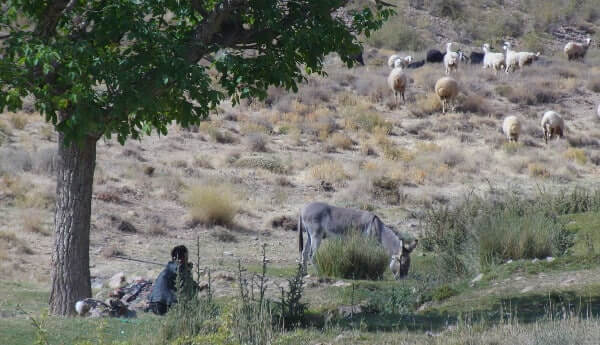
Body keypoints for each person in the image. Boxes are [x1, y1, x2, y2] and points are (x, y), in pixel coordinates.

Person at [147, 245, 197, 315]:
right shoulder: (178, 268)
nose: (187, 259)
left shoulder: (169, 267)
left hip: (153, 304)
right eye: (186, 257)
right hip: (162, 306)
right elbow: (189, 285)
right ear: (183, 257)